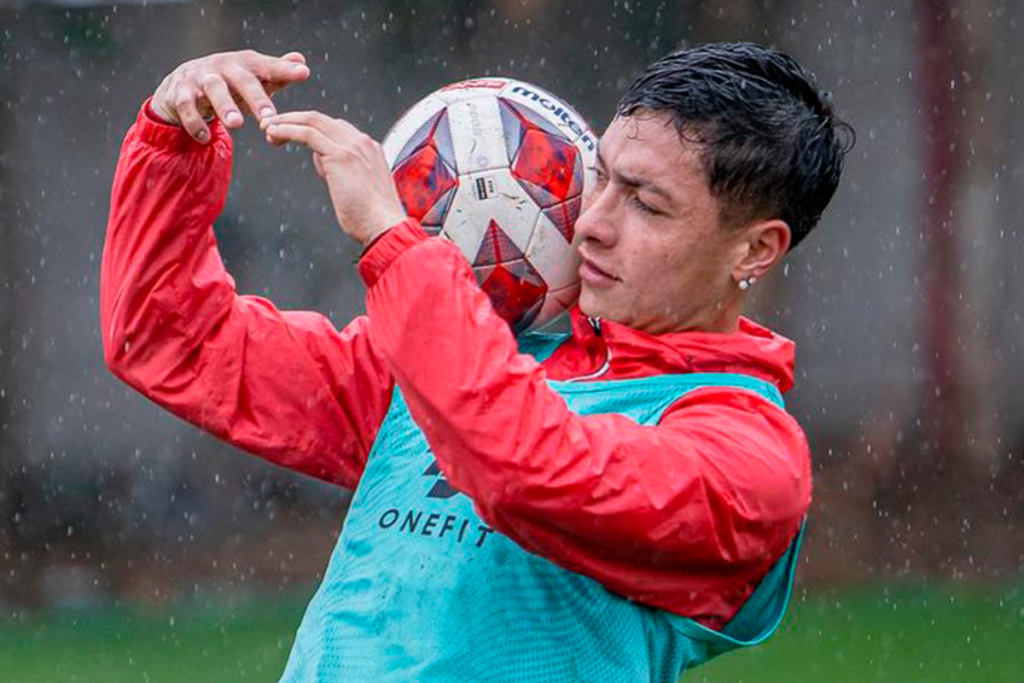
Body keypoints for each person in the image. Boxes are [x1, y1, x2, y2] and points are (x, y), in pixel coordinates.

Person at [101, 43, 850, 682]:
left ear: (755, 249)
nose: (591, 222)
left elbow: (521, 464)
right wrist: (174, 140)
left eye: (646, 205)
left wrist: (396, 243)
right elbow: (170, 339)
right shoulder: (485, 351)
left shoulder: (748, 455)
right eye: (602, 179)